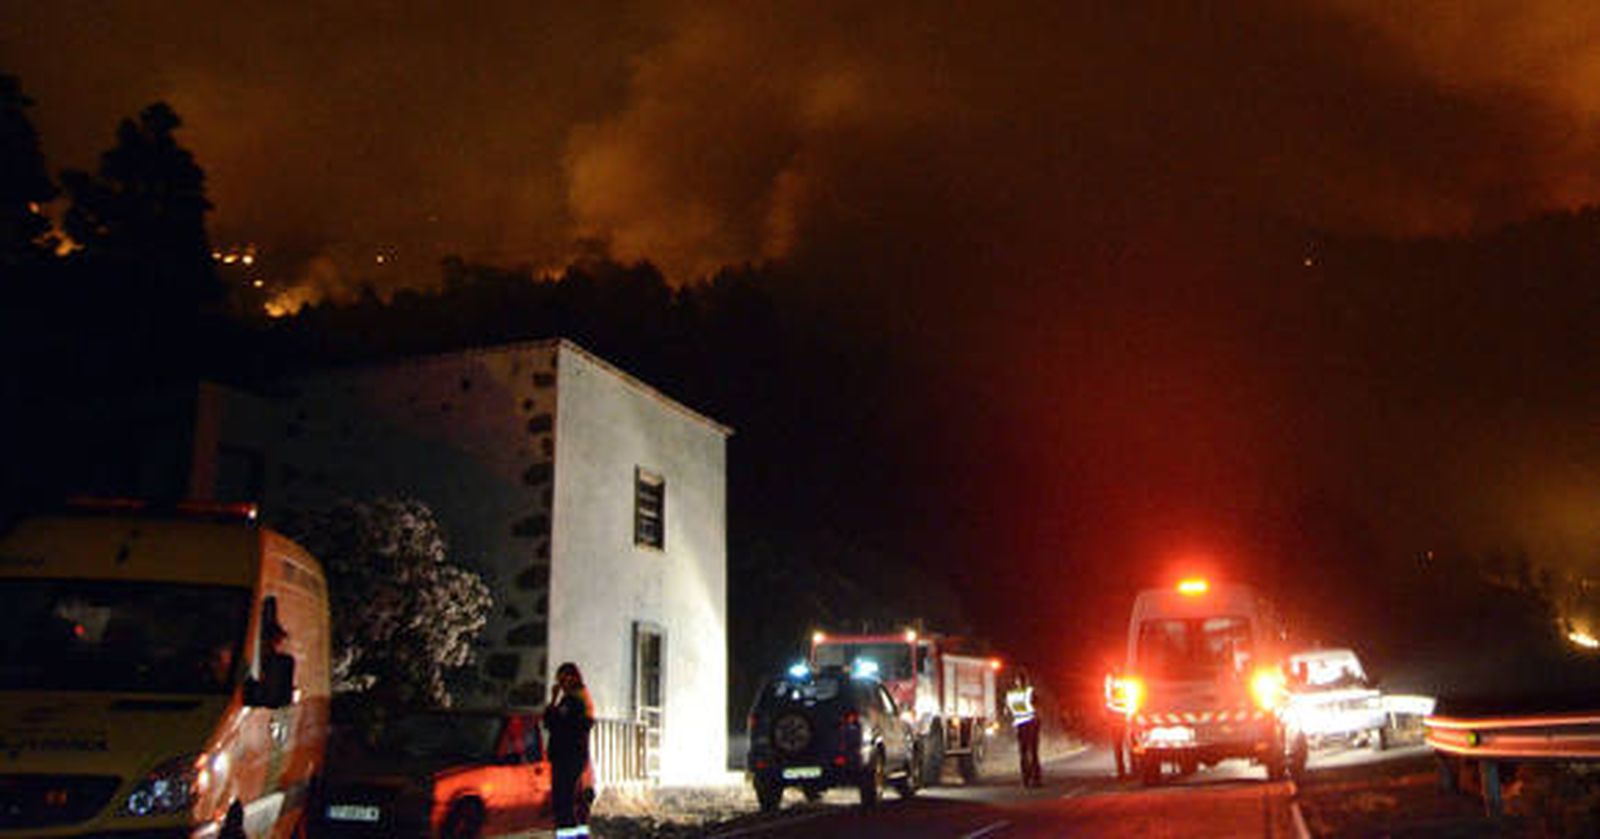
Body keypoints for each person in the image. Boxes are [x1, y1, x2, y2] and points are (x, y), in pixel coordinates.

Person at [545, 661, 595, 838]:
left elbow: (552, 723)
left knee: (563, 805)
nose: (559, 683)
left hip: (567, 757)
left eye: (562, 678)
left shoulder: (572, 700)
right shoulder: (583, 697)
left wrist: (553, 700)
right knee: (576, 805)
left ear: (572, 677)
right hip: (577, 756)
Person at [1007, 669, 1042, 787]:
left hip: (1019, 724)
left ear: (1017, 682)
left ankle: (1025, 779)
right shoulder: (1029, 692)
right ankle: (1036, 779)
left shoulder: (1011, 694)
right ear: (1025, 681)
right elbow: (1037, 705)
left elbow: (1006, 710)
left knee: (1023, 753)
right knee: (1033, 752)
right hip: (1032, 723)